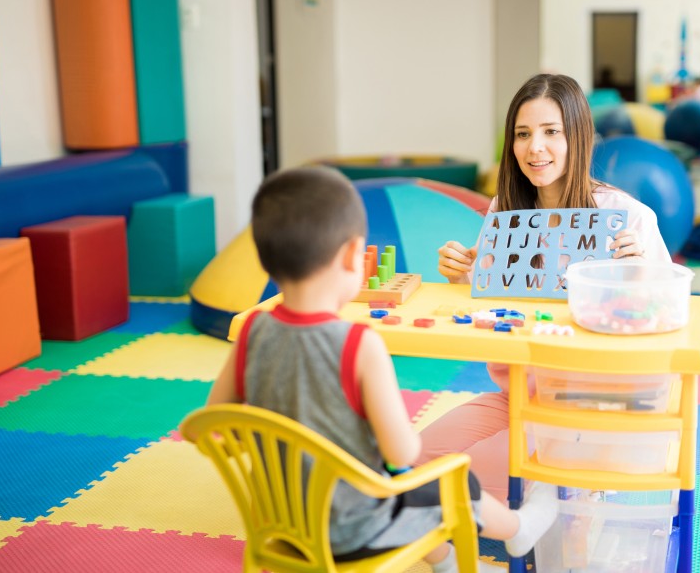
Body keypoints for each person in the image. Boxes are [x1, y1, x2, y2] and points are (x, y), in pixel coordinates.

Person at [206, 166, 558, 573]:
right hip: (355, 532)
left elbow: (216, 421)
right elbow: (403, 454)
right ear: (352, 256)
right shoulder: (359, 345)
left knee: (400, 486)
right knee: (445, 482)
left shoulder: (251, 330)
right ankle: (518, 527)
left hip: (278, 522)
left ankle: (451, 563)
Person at [420, 73, 672, 502]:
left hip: (593, 409)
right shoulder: (505, 212)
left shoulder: (628, 216)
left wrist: (641, 278)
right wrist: (461, 273)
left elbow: (670, 322)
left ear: (579, 137)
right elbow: (494, 299)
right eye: (522, 134)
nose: (534, 147)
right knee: (412, 462)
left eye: (551, 131)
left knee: (465, 483)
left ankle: (578, 495)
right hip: (518, 394)